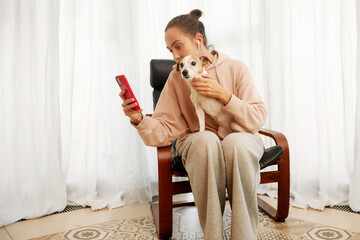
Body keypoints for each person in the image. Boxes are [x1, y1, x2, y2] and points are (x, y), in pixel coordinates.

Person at [119, 9, 266, 240]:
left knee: (236, 143)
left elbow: (257, 117)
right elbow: (165, 128)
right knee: (206, 140)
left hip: (240, 136)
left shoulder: (236, 68)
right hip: (198, 141)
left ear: (198, 40)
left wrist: (226, 97)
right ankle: (213, 236)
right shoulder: (176, 77)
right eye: (170, 50)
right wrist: (139, 119)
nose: (175, 56)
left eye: (178, 47)